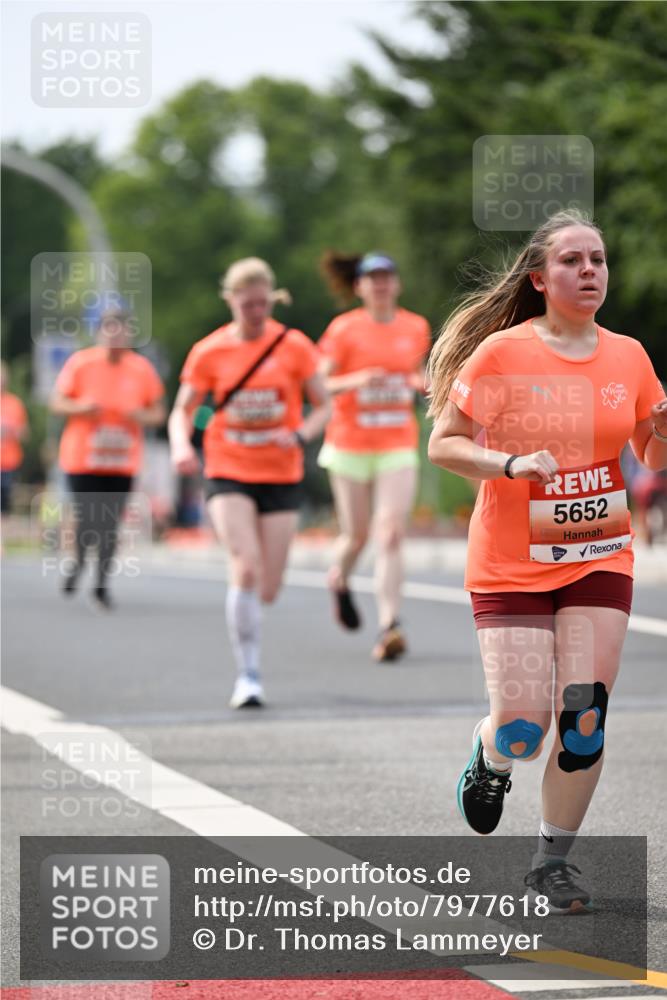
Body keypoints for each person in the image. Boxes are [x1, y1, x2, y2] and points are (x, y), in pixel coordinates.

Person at [427, 210, 667, 913]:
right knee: (523, 726)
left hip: (599, 553)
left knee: (584, 716)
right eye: (571, 260)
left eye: (598, 259)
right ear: (539, 278)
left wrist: (661, 429)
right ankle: (492, 754)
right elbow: (444, 443)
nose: (589, 270)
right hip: (511, 561)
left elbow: (651, 456)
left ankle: (550, 862)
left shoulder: (628, 356)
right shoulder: (502, 353)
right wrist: (508, 463)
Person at [168, 258, 330, 709]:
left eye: (263, 304)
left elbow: (324, 405)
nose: (256, 312)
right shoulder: (209, 351)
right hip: (228, 467)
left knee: (269, 586)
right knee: (245, 566)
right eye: (247, 305)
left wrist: (300, 434)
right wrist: (181, 445)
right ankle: (249, 675)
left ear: (271, 299)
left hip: (280, 472)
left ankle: (251, 625)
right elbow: (183, 410)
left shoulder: (293, 346)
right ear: (231, 301)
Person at [318, 252, 431, 662]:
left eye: (387, 277)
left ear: (397, 284)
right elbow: (319, 384)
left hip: (396, 443)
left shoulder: (415, 326)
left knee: (391, 532)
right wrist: (357, 380)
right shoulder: (344, 329)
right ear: (359, 287)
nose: (381, 284)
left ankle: (389, 625)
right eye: (373, 278)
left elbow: (420, 372)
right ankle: (339, 578)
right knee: (357, 535)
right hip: (349, 444)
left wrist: (422, 383)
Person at [50, 302, 166, 609]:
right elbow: (57, 403)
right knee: (89, 519)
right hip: (82, 459)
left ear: (129, 333)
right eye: (108, 330)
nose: (115, 336)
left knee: (110, 524)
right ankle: (77, 562)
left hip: (121, 462)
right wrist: (82, 408)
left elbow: (158, 413)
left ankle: (101, 585)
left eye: (121, 330)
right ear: (99, 332)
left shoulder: (141, 369)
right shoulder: (81, 363)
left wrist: (138, 415)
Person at [1, 361, 29, 518]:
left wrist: (11, 431)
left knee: (5, 500)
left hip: (8, 461)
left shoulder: (15, 403)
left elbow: (24, 433)